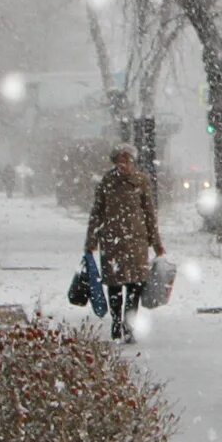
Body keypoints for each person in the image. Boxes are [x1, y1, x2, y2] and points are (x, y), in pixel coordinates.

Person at [83, 145, 163, 341]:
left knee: (135, 286)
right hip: (112, 243)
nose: (122, 164)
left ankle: (129, 324)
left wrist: (156, 242)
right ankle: (117, 322)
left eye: (126, 160)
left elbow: (149, 214)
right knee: (114, 285)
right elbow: (97, 213)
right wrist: (91, 240)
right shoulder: (106, 182)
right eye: (119, 160)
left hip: (136, 242)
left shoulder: (141, 181)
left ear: (132, 162)